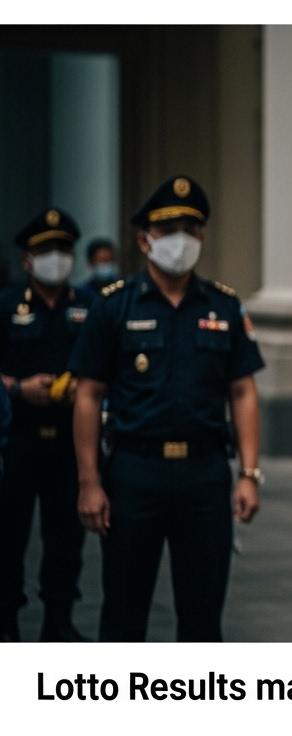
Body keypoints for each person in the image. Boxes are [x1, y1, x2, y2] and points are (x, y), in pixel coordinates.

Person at [69, 175, 265, 641]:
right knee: (123, 609)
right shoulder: (113, 307)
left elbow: (243, 391)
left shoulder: (223, 305)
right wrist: (89, 481)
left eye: (191, 230)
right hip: (134, 472)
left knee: (202, 614)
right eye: (170, 229)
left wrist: (250, 473)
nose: (182, 240)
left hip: (205, 473)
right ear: (144, 239)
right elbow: (87, 394)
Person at [0, 209, 93, 642]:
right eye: (44, 251)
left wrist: (82, 388)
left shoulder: (88, 307)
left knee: (65, 540)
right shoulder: (6, 305)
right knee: (9, 538)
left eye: (62, 250)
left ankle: (59, 623)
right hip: (16, 441)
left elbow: (103, 371)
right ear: (26, 260)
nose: (55, 258)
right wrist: (18, 387)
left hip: (70, 446)